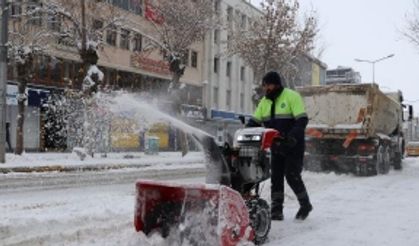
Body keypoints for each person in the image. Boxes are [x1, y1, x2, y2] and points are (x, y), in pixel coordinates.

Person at [246, 71, 312, 220]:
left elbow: (302, 120)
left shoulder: (291, 96)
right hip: (276, 146)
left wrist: (291, 137)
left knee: (291, 176)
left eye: (268, 85)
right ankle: (276, 210)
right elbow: (254, 122)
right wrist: (244, 132)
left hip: (293, 145)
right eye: (264, 85)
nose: (265, 88)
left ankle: (305, 204)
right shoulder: (264, 102)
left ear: (276, 84)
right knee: (276, 178)